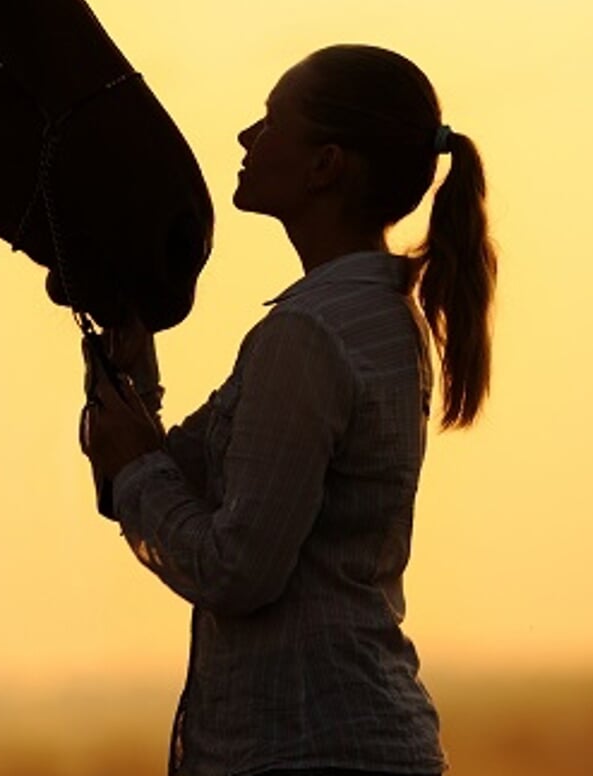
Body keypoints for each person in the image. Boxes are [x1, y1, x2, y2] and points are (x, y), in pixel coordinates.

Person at [79, 44, 496, 776]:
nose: (246, 139)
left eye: (271, 123)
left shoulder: (307, 336)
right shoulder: (375, 318)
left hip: (306, 747)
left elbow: (236, 568)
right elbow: (179, 476)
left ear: (325, 165)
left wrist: (135, 470)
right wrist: (128, 354)